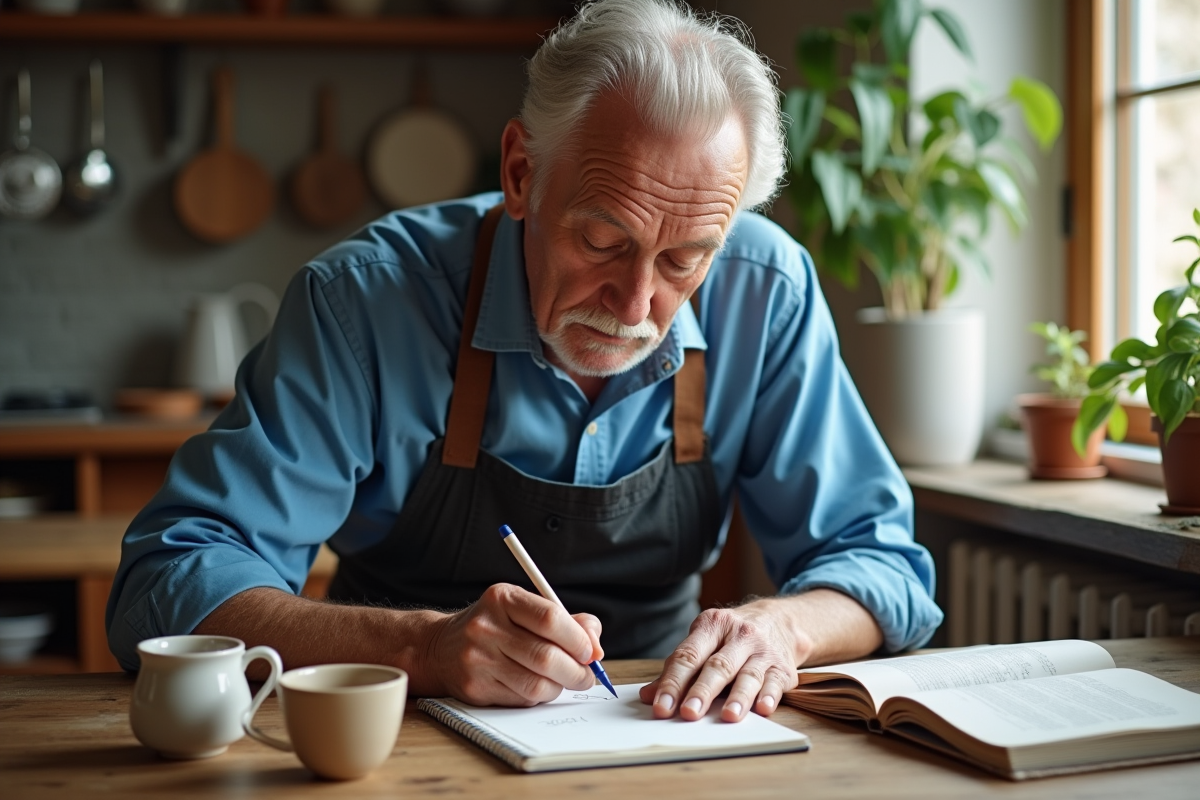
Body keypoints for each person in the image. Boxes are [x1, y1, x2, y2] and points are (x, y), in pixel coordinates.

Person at [107, 0, 941, 724]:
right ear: (520, 173)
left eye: (685, 259)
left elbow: (884, 566)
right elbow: (169, 581)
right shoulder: (365, 301)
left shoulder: (768, 289)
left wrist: (780, 629)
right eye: (603, 240)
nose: (635, 302)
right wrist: (424, 647)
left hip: (663, 731)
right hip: (398, 728)